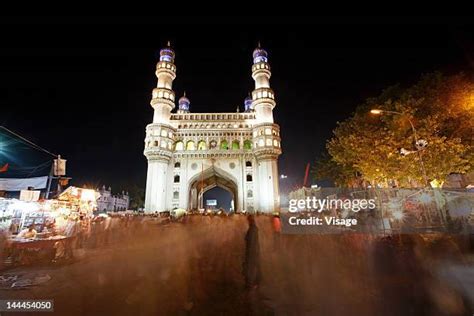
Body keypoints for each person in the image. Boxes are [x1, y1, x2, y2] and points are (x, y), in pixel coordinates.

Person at [243, 215, 261, 290]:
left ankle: (251, 283)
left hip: (252, 251)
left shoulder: (252, 229)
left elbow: (250, 241)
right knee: (254, 267)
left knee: (251, 267)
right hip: (254, 250)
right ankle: (255, 282)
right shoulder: (254, 228)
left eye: (248, 220)